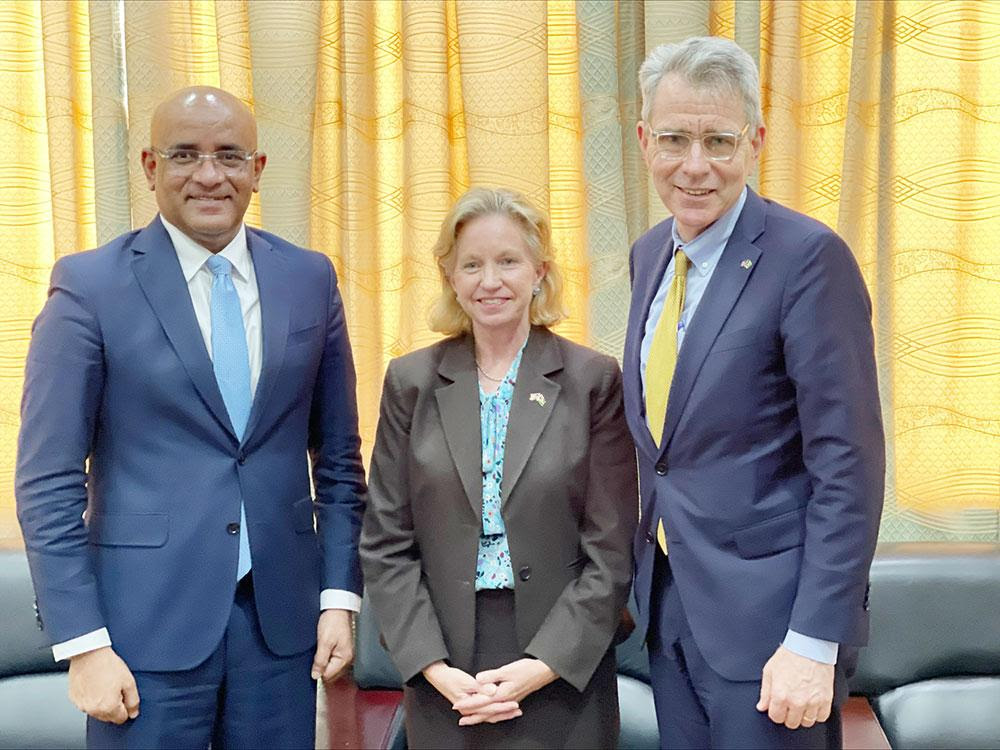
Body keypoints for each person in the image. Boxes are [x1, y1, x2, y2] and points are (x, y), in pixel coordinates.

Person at [15, 86, 367, 749]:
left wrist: (338, 598)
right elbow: (48, 481)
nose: (210, 175)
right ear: (150, 167)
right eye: (186, 154)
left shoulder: (310, 280)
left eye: (229, 155)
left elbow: (341, 461)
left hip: (282, 629)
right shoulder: (90, 287)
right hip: (140, 631)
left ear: (258, 169)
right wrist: (84, 644)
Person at [624, 37, 885, 749]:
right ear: (645, 139)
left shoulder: (807, 259)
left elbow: (848, 469)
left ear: (756, 140)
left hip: (774, 632)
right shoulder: (650, 255)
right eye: (675, 139)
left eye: (718, 139)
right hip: (672, 608)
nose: (695, 165)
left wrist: (814, 641)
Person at [360, 187, 638, 749]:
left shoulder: (592, 381)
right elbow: (386, 542)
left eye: (508, 261)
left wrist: (541, 667)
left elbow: (611, 552)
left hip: (562, 665)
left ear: (539, 271)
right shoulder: (410, 382)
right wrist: (435, 670)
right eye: (473, 265)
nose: (491, 281)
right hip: (446, 670)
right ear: (450, 276)